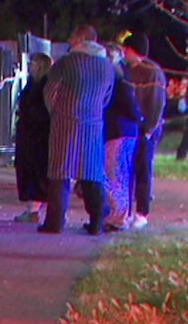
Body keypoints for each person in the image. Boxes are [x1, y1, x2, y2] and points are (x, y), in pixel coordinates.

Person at [39, 25, 115, 235]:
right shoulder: (107, 67)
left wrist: (58, 112)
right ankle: (98, 222)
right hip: (93, 126)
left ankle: (54, 223)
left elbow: (51, 92)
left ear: (82, 39)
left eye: (72, 36)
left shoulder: (66, 63)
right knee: (92, 174)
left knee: (60, 173)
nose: (69, 40)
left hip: (65, 124)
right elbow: (106, 98)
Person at [121, 31, 167, 229]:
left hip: (145, 129)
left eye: (126, 49)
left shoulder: (152, 72)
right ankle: (127, 211)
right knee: (127, 170)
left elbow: (157, 103)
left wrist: (148, 129)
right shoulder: (127, 70)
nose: (124, 53)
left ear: (133, 50)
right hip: (132, 127)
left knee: (143, 169)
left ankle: (142, 212)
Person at [102, 43, 143, 232]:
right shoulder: (121, 76)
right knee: (117, 174)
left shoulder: (117, 78)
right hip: (123, 130)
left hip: (119, 131)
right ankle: (117, 216)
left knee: (115, 174)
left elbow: (128, 104)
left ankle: (117, 217)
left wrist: (138, 118)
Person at [13, 52, 52, 223]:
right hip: (28, 133)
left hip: (37, 134)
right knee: (28, 170)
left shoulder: (43, 85)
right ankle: (32, 208)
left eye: (33, 63)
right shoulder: (32, 83)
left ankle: (35, 209)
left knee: (36, 172)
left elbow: (40, 111)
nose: (30, 65)